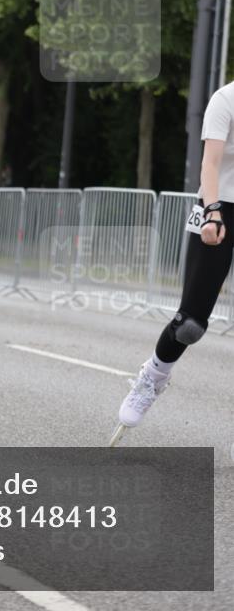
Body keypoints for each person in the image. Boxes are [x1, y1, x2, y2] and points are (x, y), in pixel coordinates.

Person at [112, 78, 234, 444]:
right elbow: (210, 166)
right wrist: (212, 212)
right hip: (219, 207)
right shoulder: (225, 98)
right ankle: (154, 376)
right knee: (191, 324)